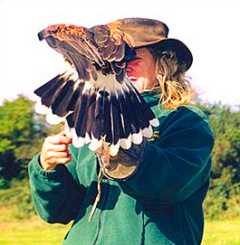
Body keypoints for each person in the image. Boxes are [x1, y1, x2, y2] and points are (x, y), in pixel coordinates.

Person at [28, 19, 215, 245]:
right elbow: (57, 212)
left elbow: (168, 187)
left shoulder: (187, 121)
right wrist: (48, 168)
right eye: (113, 59)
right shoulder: (87, 118)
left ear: (162, 63)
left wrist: (123, 151)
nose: (121, 66)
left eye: (132, 57)